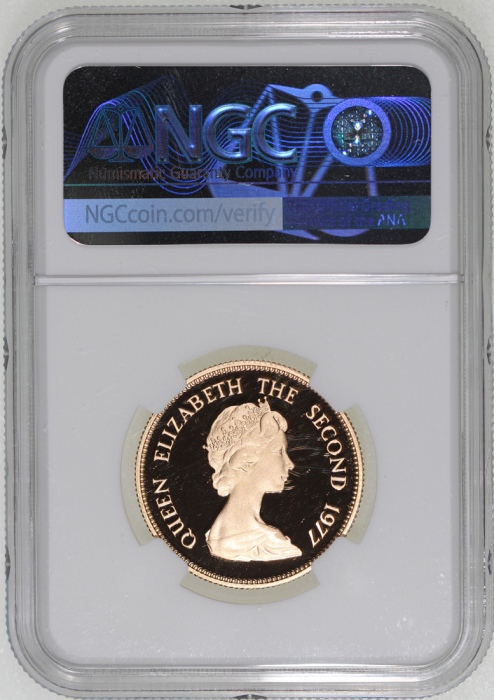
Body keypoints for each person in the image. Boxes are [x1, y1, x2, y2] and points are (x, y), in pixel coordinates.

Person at [204, 399, 302, 562]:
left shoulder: (216, 535)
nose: (290, 464)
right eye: (279, 452)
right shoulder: (272, 544)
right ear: (246, 459)